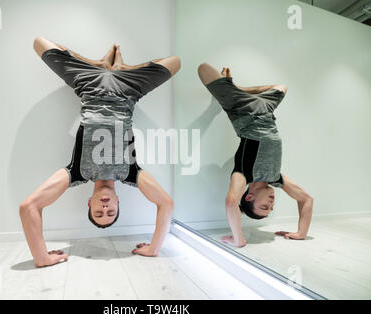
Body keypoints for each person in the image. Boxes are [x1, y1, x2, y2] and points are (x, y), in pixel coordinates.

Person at [19, 37, 180, 267]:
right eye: (111, 212)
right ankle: (119, 68)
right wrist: (154, 249)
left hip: (88, 85)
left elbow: (28, 207)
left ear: (89, 203)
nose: (105, 209)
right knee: (175, 62)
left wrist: (41, 257)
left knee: (38, 43)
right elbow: (167, 204)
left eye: (98, 213)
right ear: (118, 201)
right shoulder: (131, 174)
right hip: (129, 91)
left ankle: (101, 64)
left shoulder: (76, 173)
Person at [198, 63, 313, 248]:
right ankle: (236, 87)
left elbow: (231, 202)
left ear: (249, 198)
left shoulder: (242, 175)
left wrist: (239, 239)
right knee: (282, 87)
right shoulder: (277, 179)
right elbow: (306, 199)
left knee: (203, 69)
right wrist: (301, 233)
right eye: (271, 208)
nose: (271, 203)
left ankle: (234, 89)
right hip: (267, 109)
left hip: (242, 108)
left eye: (264, 207)